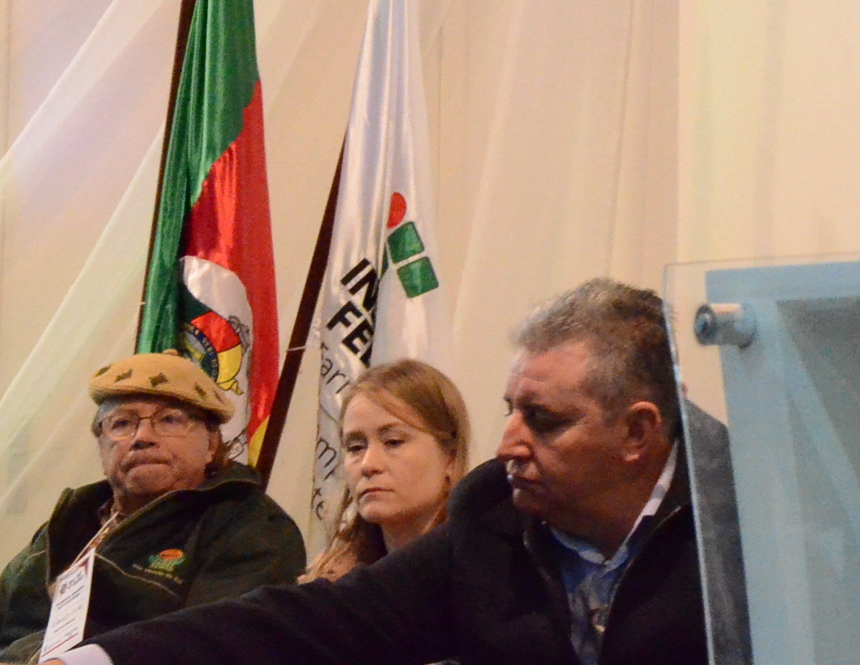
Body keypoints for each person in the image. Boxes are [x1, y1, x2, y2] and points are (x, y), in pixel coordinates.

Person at [46, 279, 706, 665]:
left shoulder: (742, 520)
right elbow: (318, 623)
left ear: (638, 432)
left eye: (545, 420)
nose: (509, 443)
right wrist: (106, 658)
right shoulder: (494, 516)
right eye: (511, 412)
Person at [0, 354, 304, 662]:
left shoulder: (251, 528)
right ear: (101, 445)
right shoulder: (73, 518)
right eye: (122, 423)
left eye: (169, 420)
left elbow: (212, 649)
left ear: (212, 444)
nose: (142, 437)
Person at [301, 360, 470, 581]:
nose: (368, 465)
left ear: (450, 456)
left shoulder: (482, 573)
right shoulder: (334, 583)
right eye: (356, 447)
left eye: (393, 442)